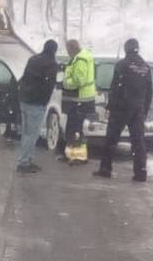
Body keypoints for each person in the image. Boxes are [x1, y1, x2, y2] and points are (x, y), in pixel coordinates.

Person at [93, 38, 153, 183]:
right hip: (137, 109)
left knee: (111, 139)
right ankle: (141, 172)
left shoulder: (122, 65)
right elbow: (149, 92)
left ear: (126, 49)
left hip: (121, 108)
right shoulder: (146, 67)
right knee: (138, 142)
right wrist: (144, 110)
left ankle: (105, 168)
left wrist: (110, 106)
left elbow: (115, 88)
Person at [15, 39, 59, 174]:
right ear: (54, 50)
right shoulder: (52, 64)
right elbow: (49, 86)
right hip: (36, 102)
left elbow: (24, 77)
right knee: (32, 134)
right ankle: (24, 163)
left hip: (24, 100)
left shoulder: (33, 59)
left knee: (26, 132)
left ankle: (26, 159)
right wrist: (44, 102)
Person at [60, 40, 97, 163]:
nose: (68, 53)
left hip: (80, 99)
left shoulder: (81, 60)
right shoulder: (80, 57)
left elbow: (79, 81)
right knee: (72, 127)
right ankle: (70, 155)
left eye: (68, 50)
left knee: (76, 128)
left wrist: (66, 82)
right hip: (78, 100)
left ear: (72, 49)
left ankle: (79, 157)